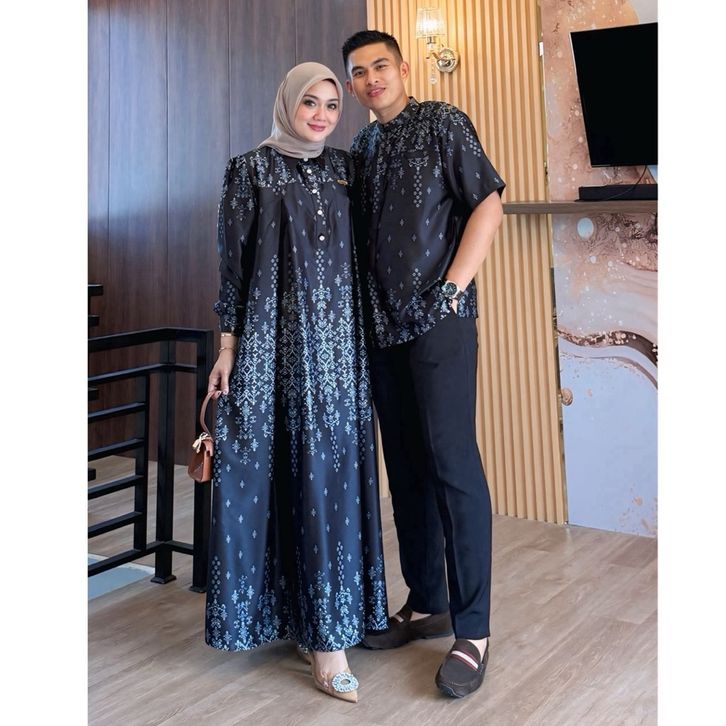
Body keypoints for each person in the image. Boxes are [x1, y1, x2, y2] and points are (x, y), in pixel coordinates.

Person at [204, 61, 388, 704]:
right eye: (310, 102)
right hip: (270, 346)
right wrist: (227, 349)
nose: (321, 115)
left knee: (328, 478)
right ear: (287, 103)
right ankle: (299, 623)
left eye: (332, 105)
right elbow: (233, 267)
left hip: (337, 351)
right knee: (273, 472)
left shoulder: (347, 168)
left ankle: (327, 631)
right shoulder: (249, 170)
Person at [342, 30, 506, 698]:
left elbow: (488, 203)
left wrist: (452, 290)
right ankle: (427, 603)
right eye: (359, 71)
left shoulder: (442, 121)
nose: (371, 78)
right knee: (406, 467)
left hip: (440, 322)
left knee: (452, 465)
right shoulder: (362, 147)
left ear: (403, 68)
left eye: (380, 65)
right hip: (381, 330)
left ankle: (474, 630)